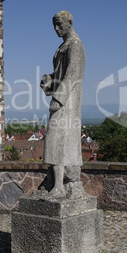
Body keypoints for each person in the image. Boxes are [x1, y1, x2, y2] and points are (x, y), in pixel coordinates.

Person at [40, 11, 85, 198]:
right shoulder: (63, 46)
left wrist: (58, 99)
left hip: (68, 102)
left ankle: (59, 186)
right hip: (62, 99)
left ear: (69, 22)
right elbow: (60, 74)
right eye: (54, 25)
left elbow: (72, 75)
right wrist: (50, 80)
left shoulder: (75, 45)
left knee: (58, 139)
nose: (56, 29)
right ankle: (54, 183)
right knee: (55, 140)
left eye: (59, 24)